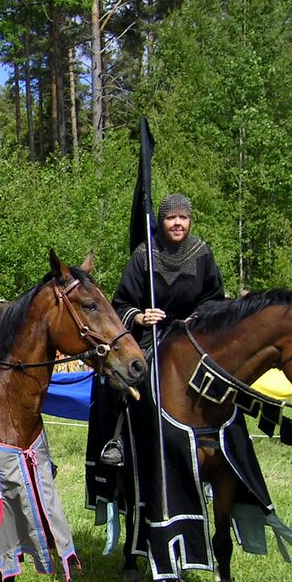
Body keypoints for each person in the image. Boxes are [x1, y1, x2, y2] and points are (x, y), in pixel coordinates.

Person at [85, 192, 224, 562]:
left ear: (190, 221)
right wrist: (140, 317)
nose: (177, 224)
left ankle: (226, 447)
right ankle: (117, 440)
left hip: (192, 338)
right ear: (160, 222)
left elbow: (216, 299)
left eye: (183, 218)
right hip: (152, 339)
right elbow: (119, 305)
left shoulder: (202, 254)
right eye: (171, 218)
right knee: (123, 380)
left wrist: (197, 318)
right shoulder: (144, 256)